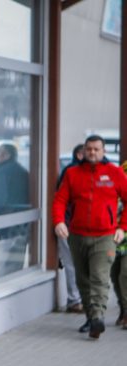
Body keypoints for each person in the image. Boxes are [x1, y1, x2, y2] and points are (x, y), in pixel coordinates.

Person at [52, 134, 127, 339]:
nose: (92, 152)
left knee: (99, 277)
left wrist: (123, 227)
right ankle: (91, 317)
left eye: (96, 149)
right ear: (84, 151)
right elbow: (60, 200)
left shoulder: (114, 173)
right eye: (89, 149)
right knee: (82, 279)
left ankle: (98, 317)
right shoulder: (72, 173)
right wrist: (59, 221)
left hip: (105, 236)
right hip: (77, 235)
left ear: (103, 151)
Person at [0, 143, 30, 278]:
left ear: (7, 155)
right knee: (14, 265)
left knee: (6, 268)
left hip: (10, 228)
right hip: (20, 227)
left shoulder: (5, 173)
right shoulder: (19, 171)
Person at [57, 144, 84, 314]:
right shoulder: (73, 172)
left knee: (75, 263)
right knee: (73, 263)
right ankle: (75, 300)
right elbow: (61, 200)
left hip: (75, 225)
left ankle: (77, 299)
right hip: (69, 225)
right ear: (80, 154)